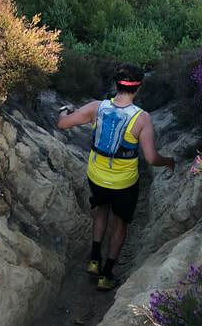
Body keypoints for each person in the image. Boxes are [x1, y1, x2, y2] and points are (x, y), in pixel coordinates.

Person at [57, 63, 175, 291]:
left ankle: (94, 260)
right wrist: (168, 161)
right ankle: (107, 274)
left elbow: (62, 123)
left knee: (101, 209)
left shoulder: (96, 108)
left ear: (116, 84)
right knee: (120, 222)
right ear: (138, 88)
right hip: (124, 182)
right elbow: (150, 158)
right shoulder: (142, 119)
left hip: (96, 176)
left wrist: (64, 108)